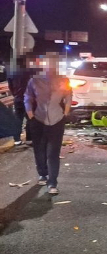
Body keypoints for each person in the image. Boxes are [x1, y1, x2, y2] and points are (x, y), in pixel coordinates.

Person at [24, 53, 72, 195]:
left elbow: (68, 95)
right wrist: (30, 114)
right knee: (39, 148)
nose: (50, 66)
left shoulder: (64, 80)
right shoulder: (35, 81)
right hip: (38, 119)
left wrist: (66, 112)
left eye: (53, 63)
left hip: (57, 119)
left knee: (53, 152)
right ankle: (42, 174)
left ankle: (52, 182)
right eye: (48, 63)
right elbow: (28, 97)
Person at [8, 54, 37, 145]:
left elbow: (10, 86)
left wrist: (15, 95)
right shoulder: (30, 72)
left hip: (18, 98)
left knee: (18, 118)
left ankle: (16, 139)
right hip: (28, 99)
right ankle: (29, 138)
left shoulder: (12, 73)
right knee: (30, 118)